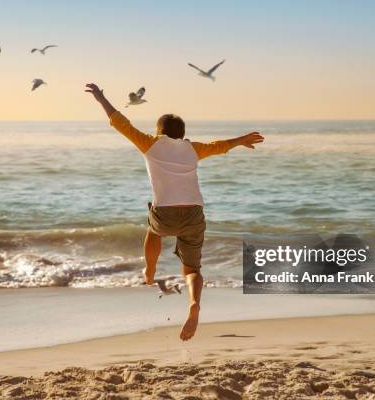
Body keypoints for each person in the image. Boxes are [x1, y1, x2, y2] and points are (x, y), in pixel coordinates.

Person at [85, 83, 264, 340]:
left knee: (154, 230)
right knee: (192, 270)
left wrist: (102, 98)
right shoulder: (193, 148)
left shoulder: (150, 144)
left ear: (160, 132)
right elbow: (219, 145)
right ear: (182, 133)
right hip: (193, 213)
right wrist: (241, 140)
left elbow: (121, 122)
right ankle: (194, 303)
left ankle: (149, 272)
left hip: (165, 214)